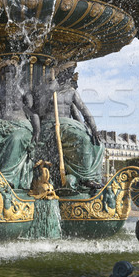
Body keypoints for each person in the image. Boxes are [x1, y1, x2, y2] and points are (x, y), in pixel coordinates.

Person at [37, 62, 104, 191]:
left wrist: (94, 129)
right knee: (83, 139)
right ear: (59, 73)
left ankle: (93, 176)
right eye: (67, 73)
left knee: (98, 144)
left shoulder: (71, 92)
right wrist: (49, 92)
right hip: (51, 124)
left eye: (71, 73)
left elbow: (84, 110)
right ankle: (85, 178)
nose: (69, 76)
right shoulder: (47, 89)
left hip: (68, 125)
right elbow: (39, 110)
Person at [0, 59, 40, 190]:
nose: (8, 73)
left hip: (21, 126)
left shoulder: (23, 88)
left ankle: (7, 178)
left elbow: (33, 112)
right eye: (6, 71)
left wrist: (37, 131)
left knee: (16, 139)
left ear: (15, 73)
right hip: (2, 126)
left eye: (11, 71)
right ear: (2, 73)